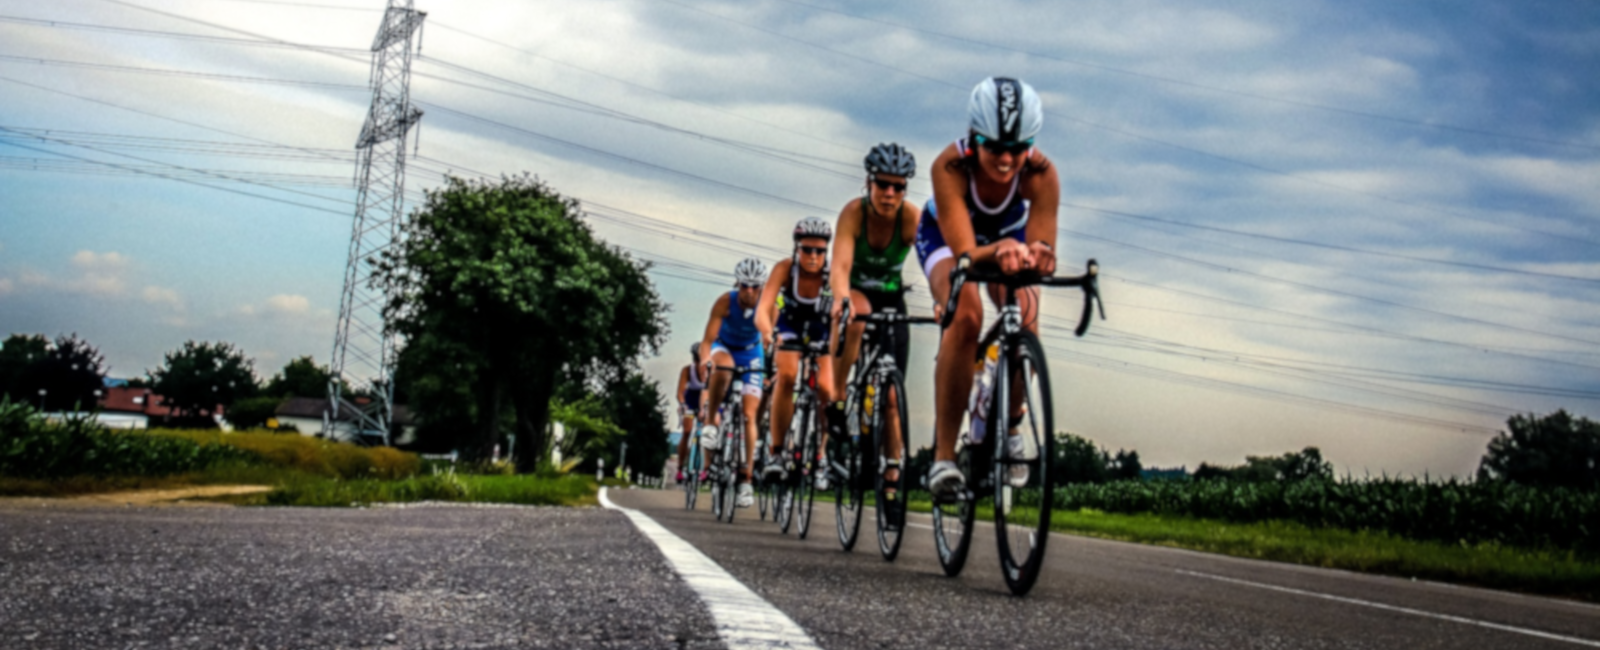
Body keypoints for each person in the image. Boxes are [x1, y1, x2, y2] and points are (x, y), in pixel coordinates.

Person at [914, 77, 1060, 498]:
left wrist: (1041, 254)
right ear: (973, 137)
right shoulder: (950, 166)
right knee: (966, 314)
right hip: (947, 238)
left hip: (1006, 237)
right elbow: (965, 255)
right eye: (993, 147)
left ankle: (1010, 422)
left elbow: (1040, 244)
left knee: (1027, 317)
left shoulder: (1042, 174)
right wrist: (1003, 249)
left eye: (1018, 149)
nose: (1006, 159)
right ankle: (942, 457)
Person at [828, 142, 921, 494]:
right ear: (869, 183)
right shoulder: (854, 214)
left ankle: (893, 476)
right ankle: (838, 395)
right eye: (883, 184)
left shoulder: (911, 218)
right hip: (856, 293)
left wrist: (944, 298)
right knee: (858, 313)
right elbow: (839, 266)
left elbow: (933, 260)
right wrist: (841, 298)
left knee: (893, 397)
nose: (890, 193)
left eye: (898, 187)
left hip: (892, 298)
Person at [759, 217, 839, 490]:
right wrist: (768, 332)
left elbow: (845, 306)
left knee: (828, 390)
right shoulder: (785, 269)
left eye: (820, 251)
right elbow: (763, 307)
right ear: (796, 248)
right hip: (789, 326)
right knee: (788, 376)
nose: (813, 257)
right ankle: (777, 452)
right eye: (807, 250)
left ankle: (822, 454)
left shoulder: (833, 273)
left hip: (821, 330)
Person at [697, 258, 771, 508]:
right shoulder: (725, 302)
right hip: (724, 346)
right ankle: (710, 425)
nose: (749, 292)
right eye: (744, 286)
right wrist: (706, 359)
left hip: (752, 352)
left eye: (755, 287)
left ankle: (746, 478)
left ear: (762, 287)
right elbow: (707, 340)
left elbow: (772, 336)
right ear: (737, 284)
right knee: (724, 368)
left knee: (750, 416)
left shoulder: (768, 305)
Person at [674, 344, 708, 484]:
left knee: (708, 432)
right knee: (687, 431)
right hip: (690, 401)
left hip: (705, 401)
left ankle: (706, 467)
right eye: (698, 360)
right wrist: (682, 405)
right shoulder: (688, 370)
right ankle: (680, 468)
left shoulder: (711, 370)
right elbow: (680, 392)